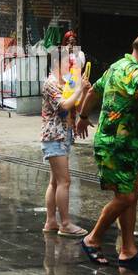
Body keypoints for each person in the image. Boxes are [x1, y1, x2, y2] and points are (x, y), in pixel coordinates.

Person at [76, 35, 138, 268]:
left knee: (132, 192)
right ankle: (92, 238)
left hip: (128, 145)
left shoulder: (116, 66)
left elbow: (93, 92)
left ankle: (128, 250)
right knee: (126, 196)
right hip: (115, 144)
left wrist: (84, 116)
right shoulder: (132, 70)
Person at [41, 52, 90, 237]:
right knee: (64, 181)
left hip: (62, 135)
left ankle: (51, 221)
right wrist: (79, 88)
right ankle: (65, 223)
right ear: (56, 63)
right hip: (55, 136)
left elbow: (76, 105)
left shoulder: (65, 82)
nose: (70, 67)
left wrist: (82, 90)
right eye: (66, 63)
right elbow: (64, 105)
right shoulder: (51, 83)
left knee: (55, 181)